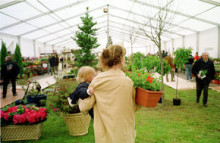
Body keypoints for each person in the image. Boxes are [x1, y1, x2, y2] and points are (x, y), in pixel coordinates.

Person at [79, 45, 141, 143]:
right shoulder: (128, 83)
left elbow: (84, 107)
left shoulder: (97, 81)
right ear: (120, 60)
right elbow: (134, 106)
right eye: (124, 57)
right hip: (123, 133)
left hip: (104, 134)